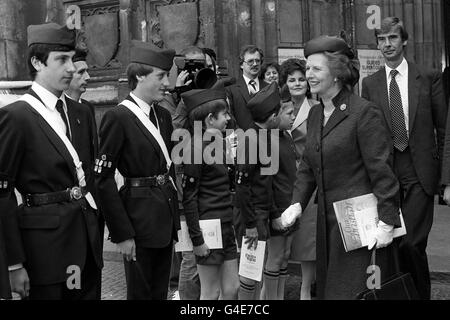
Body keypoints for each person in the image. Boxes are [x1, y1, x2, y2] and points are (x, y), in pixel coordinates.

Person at [281, 35, 401, 300]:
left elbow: (382, 172)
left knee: (356, 292)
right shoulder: (315, 114)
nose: (308, 75)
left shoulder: (363, 113)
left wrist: (387, 222)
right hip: (328, 227)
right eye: (307, 67)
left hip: (362, 228)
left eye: (315, 69)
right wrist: (297, 202)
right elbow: (309, 166)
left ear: (336, 74)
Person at [0, 22, 103, 300]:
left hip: (82, 242)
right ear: (37, 62)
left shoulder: (71, 111)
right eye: (61, 59)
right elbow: (2, 193)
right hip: (46, 251)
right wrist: (14, 263)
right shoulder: (17, 116)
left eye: (72, 59)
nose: (71, 67)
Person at [361, 17, 447, 300]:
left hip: (421, 174)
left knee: (411, 243)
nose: (387, 44)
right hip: (387, 177)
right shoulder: (370, 84)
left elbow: (444, 128)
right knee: (395, 248)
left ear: (404, 41)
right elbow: (369, 133)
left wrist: (446, 180)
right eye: (381, 39)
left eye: (393, 38)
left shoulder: (429, 77)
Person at [95, 40, 179, 300]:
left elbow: (169, 169)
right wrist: (122, 233)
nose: (168, 83)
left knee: (159, 292)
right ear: (139, 76)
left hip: (164, 220)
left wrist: (176, 221)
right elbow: (103, 180)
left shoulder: (163, 117)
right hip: (137, 222)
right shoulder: (117, 117)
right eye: (161, 76)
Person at [181, 87, 239, 300]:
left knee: (232, 288)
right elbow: (189, 197)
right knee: (210, 292)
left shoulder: (221, 144)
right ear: (210, 119)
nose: (228, 119)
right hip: (208, 227)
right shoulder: (195, 149)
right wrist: (197, 240)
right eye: (224, 114)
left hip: (226, 224)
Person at [64, 47, 103, 299]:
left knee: (93, 271)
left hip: (92, 204)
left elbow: (93, 156)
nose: (87, 76)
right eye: (82, 72)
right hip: (70, 210)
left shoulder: (87, 108)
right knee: (73, 278)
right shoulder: (56, 111)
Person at [236, 82, 280, 300]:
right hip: (253, 217)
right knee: (250, 273)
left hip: (261, 214)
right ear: (272, 117)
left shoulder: (261, 137)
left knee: (256, 272)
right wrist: (250, 225)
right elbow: (242, 185)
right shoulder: (252, 140)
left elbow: (265, 182)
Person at [279, 58, 318, 300]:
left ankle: (305, 289)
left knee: (307, 241)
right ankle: (276, 289)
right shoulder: (277, 107)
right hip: (281, 178)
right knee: (280, 239)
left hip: (308, 179)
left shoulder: (317, 107)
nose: (297, 83)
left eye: (301, 79)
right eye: (291, 79)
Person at [260, 102, 296, 300]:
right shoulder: (268, 140)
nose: (293, 117)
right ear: (276, 114)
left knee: (285, 255)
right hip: (278, 208)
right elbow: (267, 181)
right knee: (275, 257)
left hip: (290, 204)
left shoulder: (286, 136)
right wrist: (273, 212)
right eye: (289, 113)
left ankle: (279, 296)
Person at [226, 45, 267, 130]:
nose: (255, 64)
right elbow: (230, 117)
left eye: (257, 61)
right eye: (250, 61)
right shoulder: (231, 89)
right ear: (241, 64)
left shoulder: (268, 87)